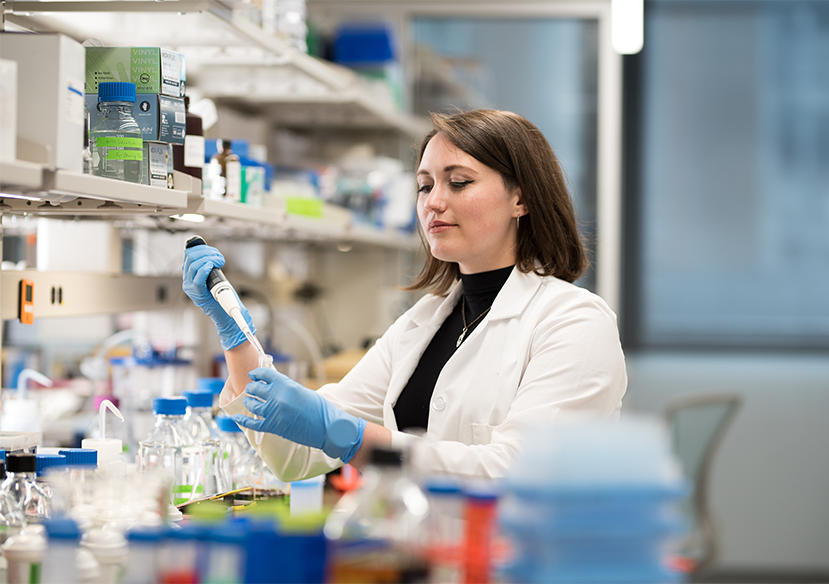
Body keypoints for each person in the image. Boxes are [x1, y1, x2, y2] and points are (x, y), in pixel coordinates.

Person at [182, 109, 627, 480]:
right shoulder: (423, 323)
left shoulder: (574, 323)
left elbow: (518, 473)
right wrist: (237, 337)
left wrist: (353, 437)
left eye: (459, 182)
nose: (433, 202)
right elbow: (294, 457)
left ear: (521, 199)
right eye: (425, 185)